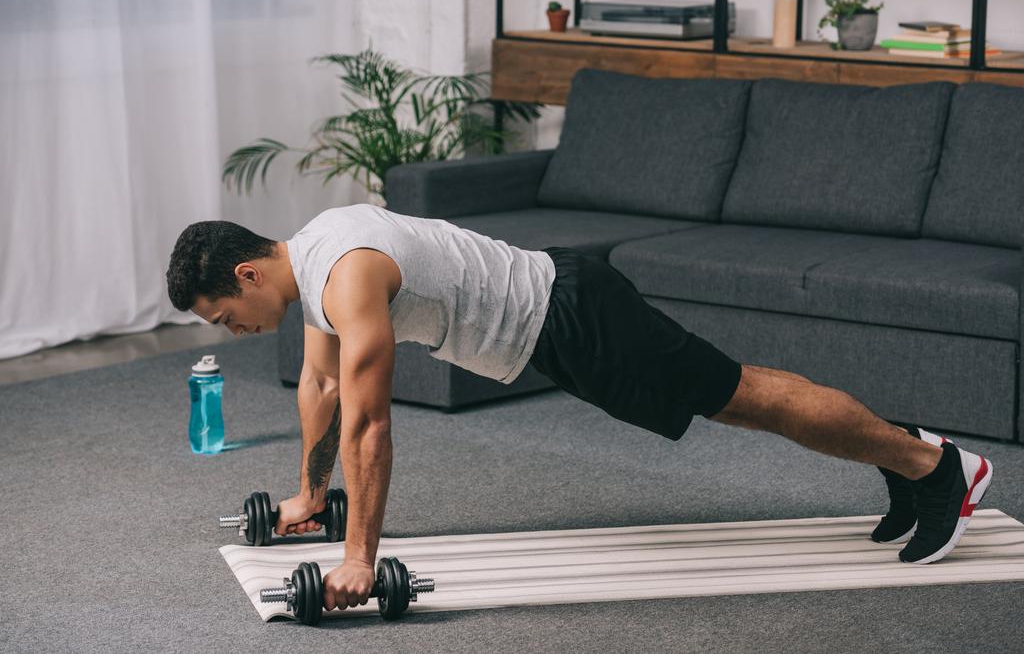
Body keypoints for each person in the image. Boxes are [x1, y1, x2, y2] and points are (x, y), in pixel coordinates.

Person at [166, 203, 994, 611]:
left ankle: (935, 464)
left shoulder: (344, 273)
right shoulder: (312, 262)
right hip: (557, 325)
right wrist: (310, 495)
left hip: (571, 315)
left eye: (220, 316)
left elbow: (371, 420)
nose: (232, 328)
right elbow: (323, 388)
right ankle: (904, 458)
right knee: (733, 402)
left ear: (243, 276)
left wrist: (359, 557)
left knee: (740, 397)